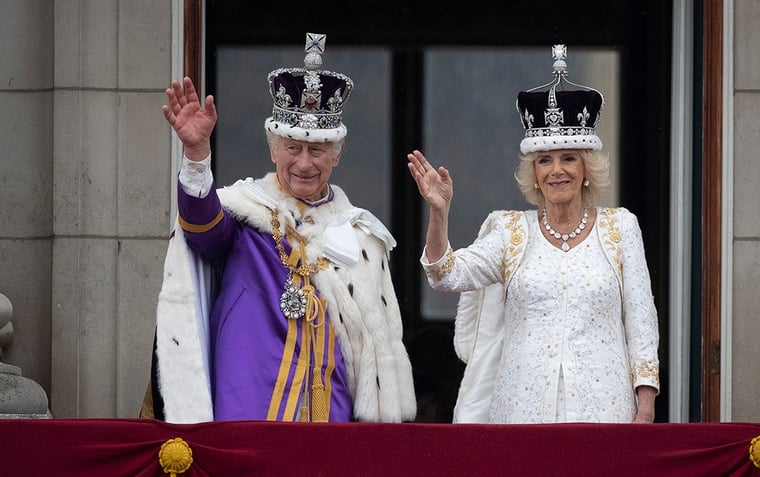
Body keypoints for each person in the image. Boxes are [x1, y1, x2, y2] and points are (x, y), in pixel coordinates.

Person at [147, 32, 416, 423]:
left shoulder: (361, 237)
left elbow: (372, 352)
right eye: (293, 148)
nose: (304, 163)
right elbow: (203, 230)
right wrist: (196, 157)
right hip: (249, 400)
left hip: (330, 406)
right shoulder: (246, 215)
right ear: (273, 149)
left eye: (317, 150)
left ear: (335, 156)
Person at [406, 45, 659, 424]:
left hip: (605, 411)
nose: (557, 170)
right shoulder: (511, 231)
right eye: (545, 160)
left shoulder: (620, 228)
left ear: (586, 167)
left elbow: (641, 321)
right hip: (522, 413)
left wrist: (646, 404)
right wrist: (439, 214)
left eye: (568, 157)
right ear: (535, 174)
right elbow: (446, 274)